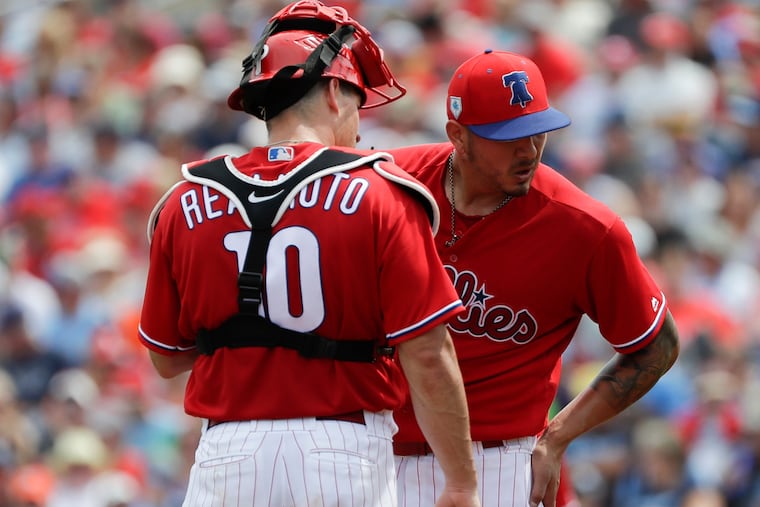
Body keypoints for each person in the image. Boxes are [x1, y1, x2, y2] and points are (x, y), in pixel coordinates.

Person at [136, 2, 479, 506]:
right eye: (360, 103)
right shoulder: (381, 190)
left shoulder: (184, 199)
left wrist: (251, 336)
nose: (360, 129)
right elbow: (427, 353)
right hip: (340, 451)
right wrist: (462, 482)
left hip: (226, 456)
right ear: (337, 93)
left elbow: (165, 358)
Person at [384, 49, 680, 507]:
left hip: (498, 462)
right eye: (507, 137)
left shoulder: (584, 228)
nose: (529, 151)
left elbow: (657, 345)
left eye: (536, 131)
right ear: (458, 136)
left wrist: (559, 436)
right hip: (374, 449)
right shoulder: (387, 185)